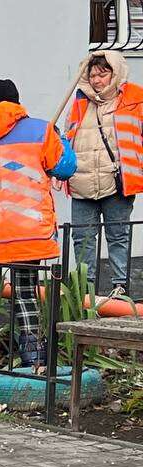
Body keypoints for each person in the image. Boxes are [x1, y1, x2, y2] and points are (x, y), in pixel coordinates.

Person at [0, 79, 76, 365]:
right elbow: (66, 168)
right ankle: (34, 361)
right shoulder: (41, 131)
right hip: (28, 231)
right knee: (25, 294)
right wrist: (61, 140)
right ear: (17, 103)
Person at [66, 51, 143, 299]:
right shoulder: (80, 102)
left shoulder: (134, 99)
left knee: (118, 236)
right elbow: (70, 137)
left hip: (117, 182)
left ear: (115, 73)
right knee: (82, 239)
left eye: (103, 74)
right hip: (82, 183)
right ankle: (85, 290)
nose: (97, 80)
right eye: (92, 75)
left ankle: (120, 288)